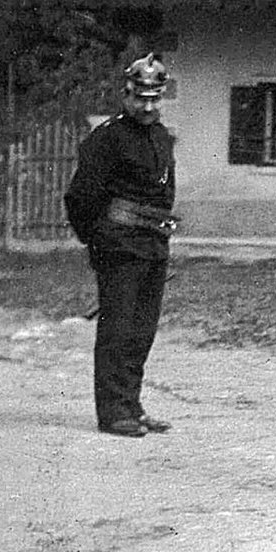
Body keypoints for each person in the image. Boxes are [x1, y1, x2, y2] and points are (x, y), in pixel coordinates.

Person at [64, 54, 178, 437]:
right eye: (139, 98)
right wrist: (97, 241)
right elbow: (81, 197)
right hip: (118, 245)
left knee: (142, 330)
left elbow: (166, 192)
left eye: (155, 99)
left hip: (153, 245)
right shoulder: (107, 138)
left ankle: (132, 405)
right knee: (117, 328)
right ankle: (113, 412)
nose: (147, 107)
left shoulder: (161, 136)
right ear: (125, 94)